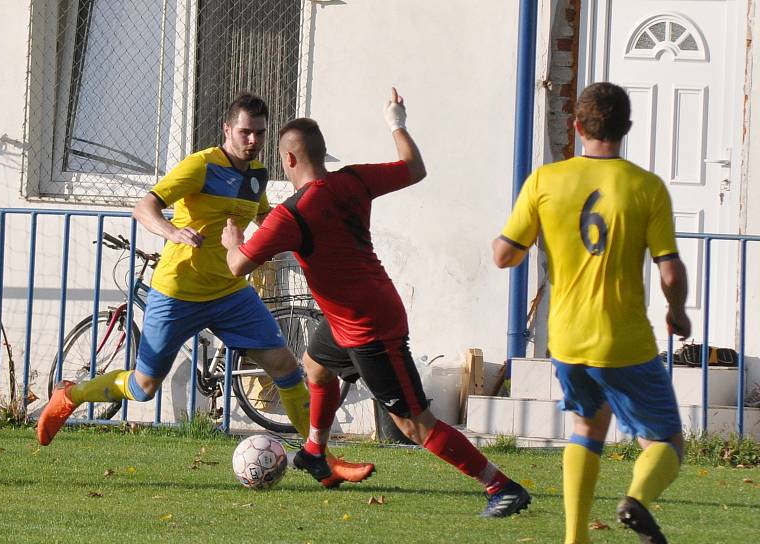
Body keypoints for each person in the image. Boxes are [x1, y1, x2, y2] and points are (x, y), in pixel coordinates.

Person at [37, 92, 374, 489]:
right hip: (177, 292)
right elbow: (143, 207)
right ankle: (71, 395)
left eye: (260, 134)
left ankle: (322, 460)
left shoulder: (257, 174)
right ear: (227, 129)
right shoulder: (200, 165)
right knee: (144, 388)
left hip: (231, 292)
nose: (252, 141)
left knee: (284, 363)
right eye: (245, 132)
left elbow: (264, 215)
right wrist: (171, 230)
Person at [221, 88, 532, 518]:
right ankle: (315, 452)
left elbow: (237, 266)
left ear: (288, 160)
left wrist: (232, 238)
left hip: (370, 327)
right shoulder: (353, 179)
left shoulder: (291, 215)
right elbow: (414, 168)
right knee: (314, 365)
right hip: (346, 316)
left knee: (414, 424)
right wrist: (396, 122)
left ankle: (502, 486)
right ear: (322, 153)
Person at [493, 82, 690, 544]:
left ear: (577, 127)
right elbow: (670, 268)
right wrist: (677, 310)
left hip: (567, 338)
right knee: (667, 441)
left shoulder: (545, 180)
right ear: (626, 129)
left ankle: (576, 543)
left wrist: (529, 242)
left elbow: (504, 255)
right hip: (623, 340)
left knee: (587, 425)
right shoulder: (645, 187)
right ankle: (637, 500)